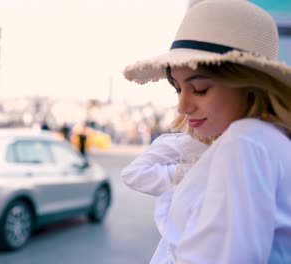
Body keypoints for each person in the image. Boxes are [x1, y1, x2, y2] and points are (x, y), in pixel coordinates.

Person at [121, 0, 291, 263]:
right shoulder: (267, 141)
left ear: (249, 84)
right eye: (178, 89)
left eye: (200, 89)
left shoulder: (245, 141)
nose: (183, 106)